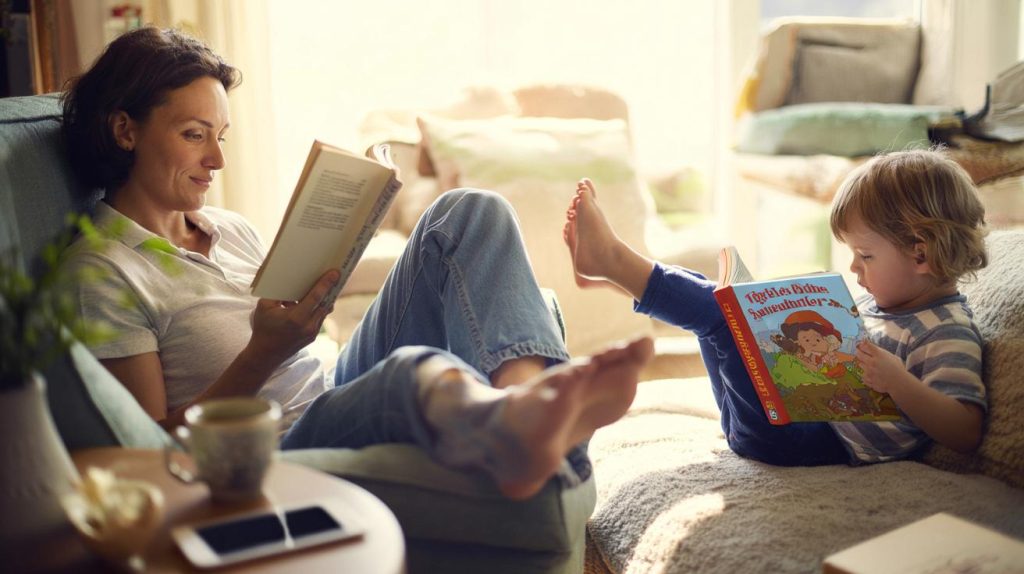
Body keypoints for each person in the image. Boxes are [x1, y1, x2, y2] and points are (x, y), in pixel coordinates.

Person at [60, 26, 653, 501]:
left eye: (222, 136)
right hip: (278, 445)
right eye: (195, 135)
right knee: (410, 373)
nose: (217, 159)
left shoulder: (229, 227)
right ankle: (521, 423)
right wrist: (262, 353)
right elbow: (149, 448)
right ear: (125, 131)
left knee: (471, 211)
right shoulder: (101, 271)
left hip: (331, 389)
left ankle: (522, 408)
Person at [564, 150, 988, 466]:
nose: (854, 268)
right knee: (723, 305)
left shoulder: (946, 329)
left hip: (806, 441)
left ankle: (615, 264)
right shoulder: (884, 302)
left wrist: (897, 381)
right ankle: (610, 277)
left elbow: (966, 431)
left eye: (866, 255)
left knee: (719, 315)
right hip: (773, 418)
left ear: (920, 255)